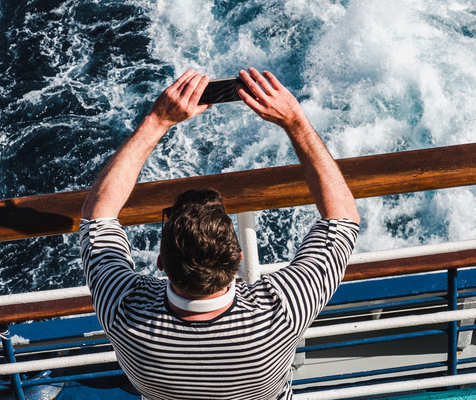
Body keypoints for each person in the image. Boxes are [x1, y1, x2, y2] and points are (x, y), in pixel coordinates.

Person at [80, 68, 360, 399]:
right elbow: (342, 219)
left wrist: (157, 121)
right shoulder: (280, 312)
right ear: (238, 260)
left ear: (160, 262)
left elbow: (98, 215)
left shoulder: (124, 310)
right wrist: (295, 121)